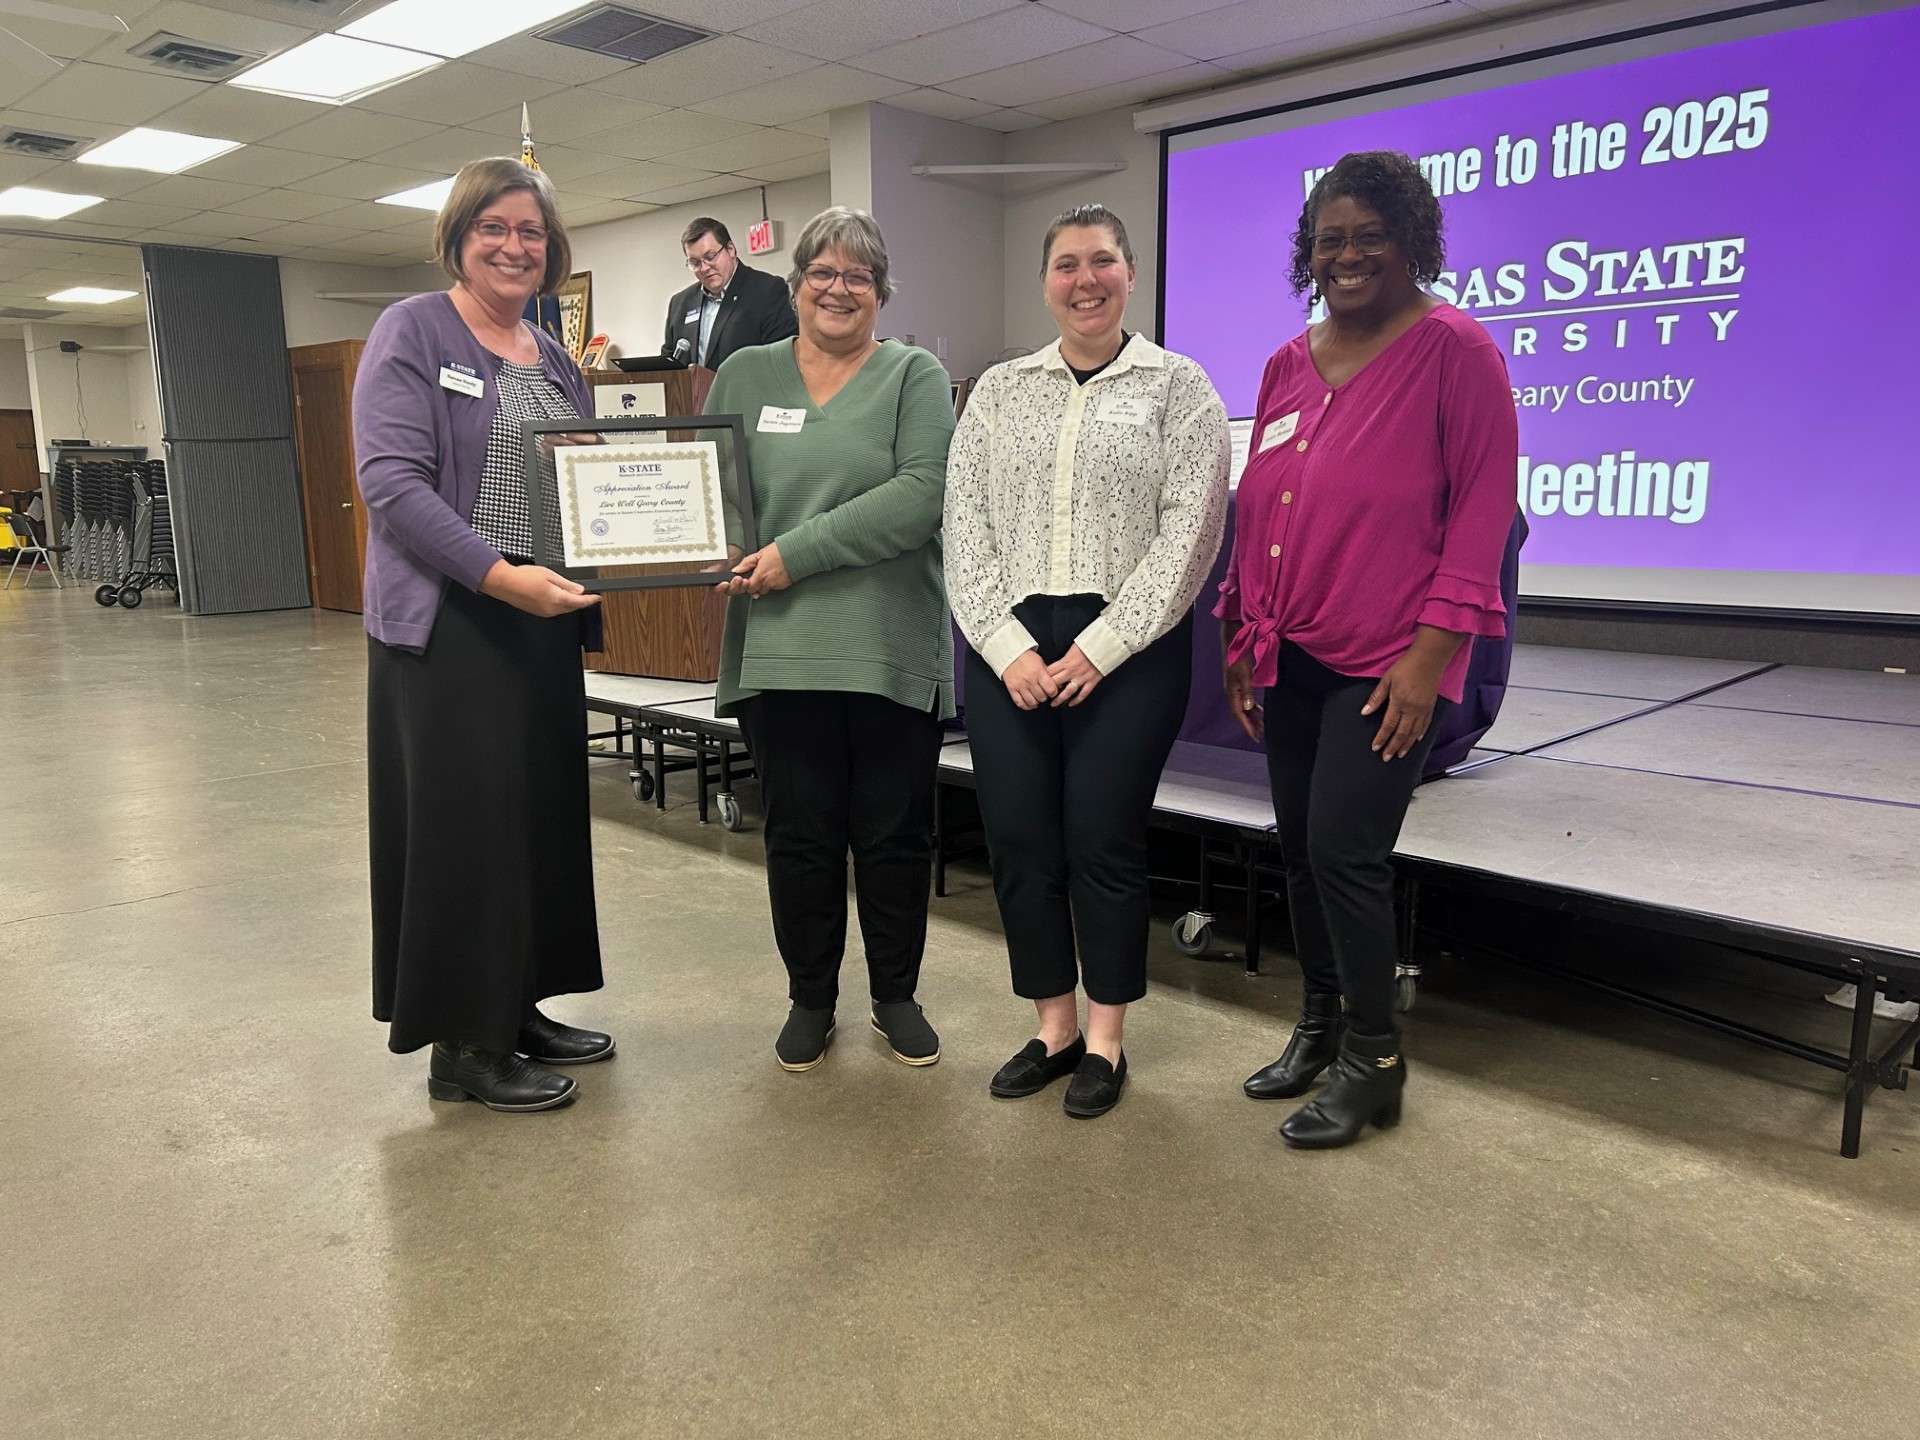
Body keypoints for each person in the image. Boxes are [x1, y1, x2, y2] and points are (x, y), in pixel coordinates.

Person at [1219, 151, 1518, 1148]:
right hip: (1287, 649)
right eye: (1331, 240)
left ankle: (1375, 1058)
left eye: (1368, 237)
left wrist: (1432, 662)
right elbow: (1258, 504)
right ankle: (1317, 1027)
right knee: (1300, 854)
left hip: (1386, 658)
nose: (1348, 256)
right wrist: (1236, 627)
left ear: (1410, 242)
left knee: (1348, 856)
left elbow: (1481, 517)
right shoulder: (1286, 364)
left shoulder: (1455, 350)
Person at [945, 204, 1230, 1119]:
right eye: (1067, 264)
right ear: (1045, 282)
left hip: (1131, 647)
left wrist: (1101, 649)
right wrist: (1005, 647)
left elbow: (1190, 536)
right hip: (1010, 648)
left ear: (1131, 273)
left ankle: (1106, 1038)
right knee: (1023, 841)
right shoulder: (998, 391)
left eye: (1102, 261)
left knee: (1102, 838)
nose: (1085, 280)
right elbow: (965, 526)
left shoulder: (1179, 387)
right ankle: (1053, 1025)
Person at [355, 157, 615, 1113]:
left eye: (533, 233)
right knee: (467, 831)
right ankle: (463, 1045)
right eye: (495, 228)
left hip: (541, 619)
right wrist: (499, 576)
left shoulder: (547, 355)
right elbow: (392, 484)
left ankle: (517, 1006)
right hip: (456, 622)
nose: (515, 246)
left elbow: (579, 483)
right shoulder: (413, 331)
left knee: (536, 821)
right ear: (459, 237)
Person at [705, 207, 956, 1073]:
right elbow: (711, 491)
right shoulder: (742, 374)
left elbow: (923, 494)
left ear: (880, 292)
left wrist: (792, 555)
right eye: (822, 272)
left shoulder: (914, 376)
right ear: (795, 283)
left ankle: (896, 995)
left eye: (858, 276)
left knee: (893, 838)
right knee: (801, 838)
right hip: (780, 650)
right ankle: (812, 998)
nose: (838, 288)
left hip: (888, 645)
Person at [663, 217, 799, 369]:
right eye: (695, 262)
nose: (704, 268)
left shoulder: (767, 290)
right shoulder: (680, 303)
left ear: (731, 249)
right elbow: (668, 364)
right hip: (691, 393)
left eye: (710, 257)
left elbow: (782, 360)